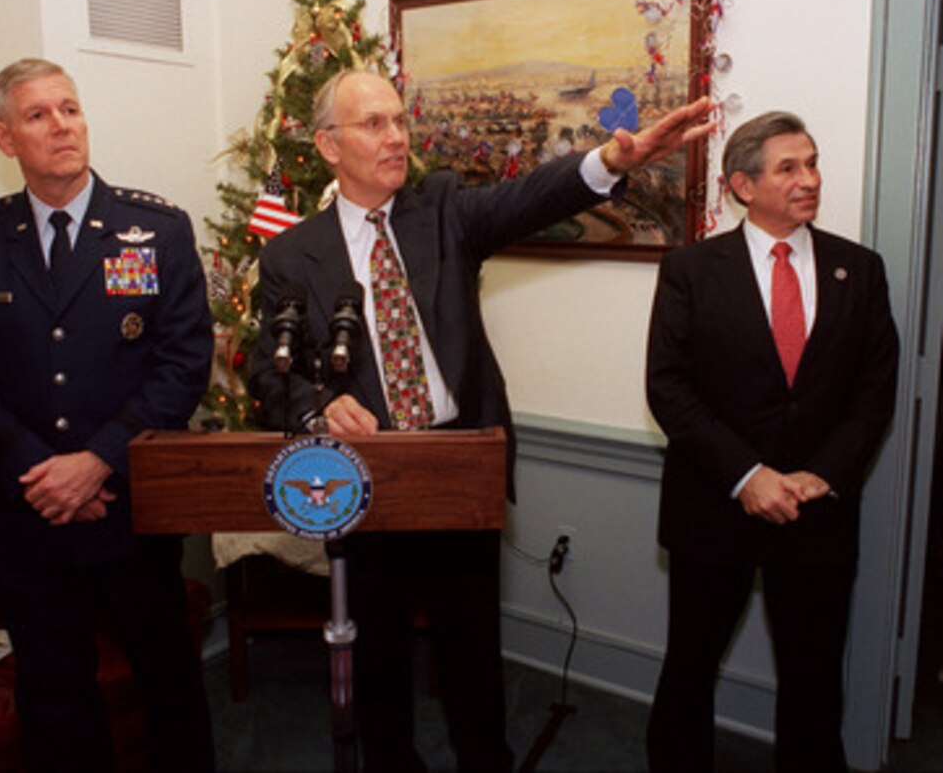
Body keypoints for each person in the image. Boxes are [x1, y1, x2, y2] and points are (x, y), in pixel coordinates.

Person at [248, 67, 714, 772]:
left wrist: (612, 160)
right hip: (367, 477)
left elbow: (529, 197)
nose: (396, 136)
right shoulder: (290, 253)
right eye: (373, 124)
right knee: (377, 659)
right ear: (328, 145)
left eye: (399, 120)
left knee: (469, 652)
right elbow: (265, 369)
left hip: (459, 466)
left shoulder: (440, 209)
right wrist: (316, 407)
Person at [0, 58, 215, 772]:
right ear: (5, 138)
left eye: (70, 108)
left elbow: (183, 365)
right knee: (55, 698)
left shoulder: (156, 230)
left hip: (130, 507)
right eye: (38, 115)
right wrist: (42, 476)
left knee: (169, 685)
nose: (62, 126)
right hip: (28, 517)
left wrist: (94, 465)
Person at [644, 111, 900, 772]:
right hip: (713, 507)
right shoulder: (690, 270)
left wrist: (822, 474)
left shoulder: (859, 270)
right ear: (740, 185)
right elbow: (668, 390)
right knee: (690, 669)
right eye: (788, 168)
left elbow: (874, 391)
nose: (808, 179)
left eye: (811, 163)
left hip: (817, 513)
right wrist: (746, 475)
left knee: (814, 680)